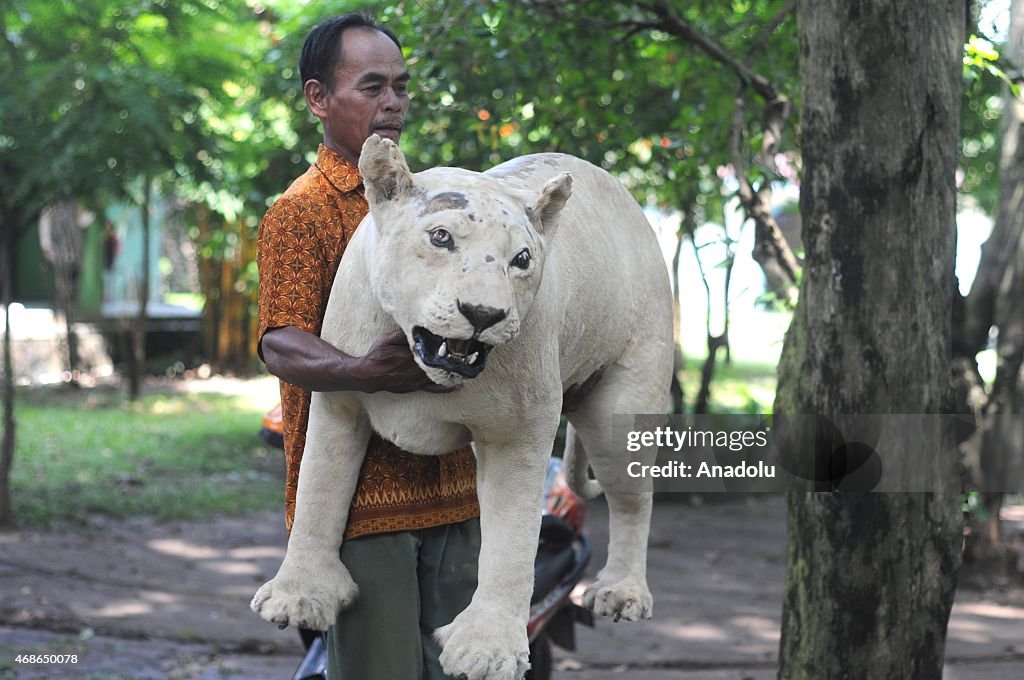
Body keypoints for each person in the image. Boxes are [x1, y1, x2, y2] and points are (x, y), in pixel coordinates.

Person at [255, 13, 480, 680]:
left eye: (401, 88)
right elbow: (280, 343)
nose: (393, 104)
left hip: (459, 493)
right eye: (373, 86)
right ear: (318, 99)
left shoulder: (435, 205)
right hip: (359, 511)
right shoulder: (303, 212)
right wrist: (361, 370)